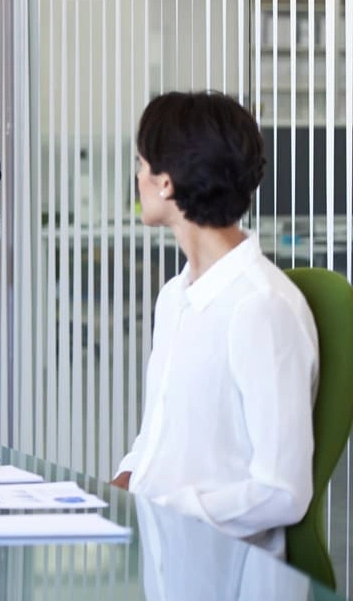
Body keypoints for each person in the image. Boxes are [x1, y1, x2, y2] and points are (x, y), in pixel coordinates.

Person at [111, 91, 317, 558]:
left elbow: (283, 491)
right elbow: (158, 438)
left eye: (142, 164)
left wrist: (160, 506)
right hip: (163, 558)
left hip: (225, 569)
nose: (137, 177)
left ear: (166, 183)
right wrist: (119, 487)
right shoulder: (174, 298)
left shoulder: (262, 308)